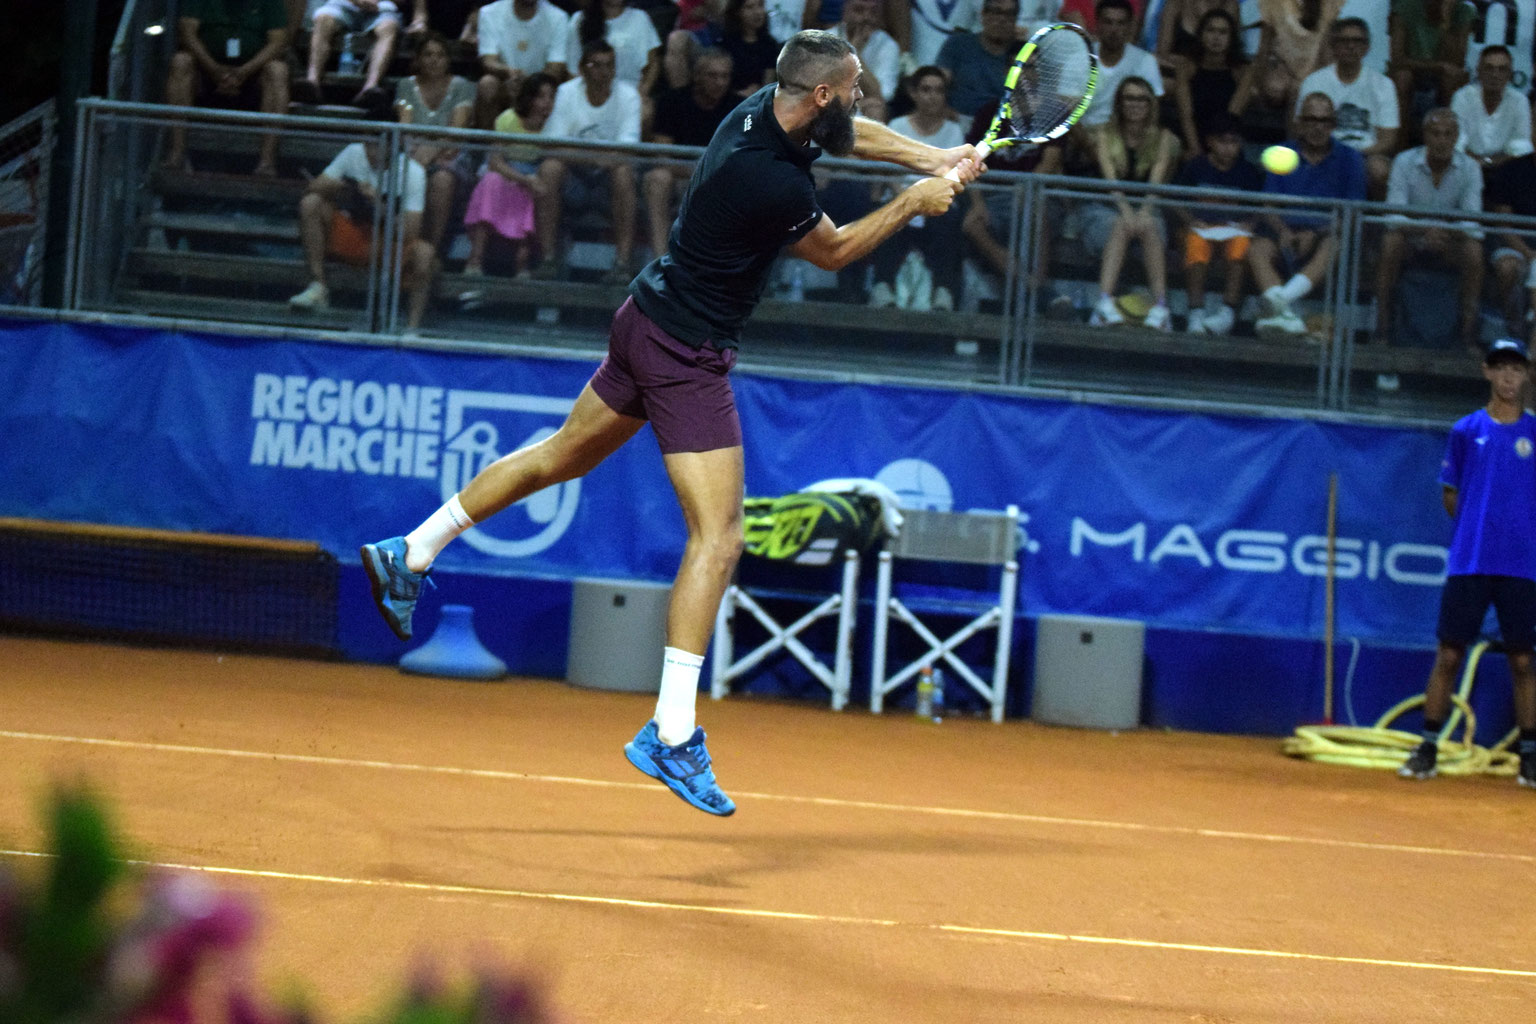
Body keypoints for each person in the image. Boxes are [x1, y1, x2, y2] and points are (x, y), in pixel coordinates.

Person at [358, 30, 977, 816]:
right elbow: (839, 250)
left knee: (556, 457)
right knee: (719, 538)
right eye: (852, 88)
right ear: (819, 95)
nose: (859, 100)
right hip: (685, 353)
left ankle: (410, 549)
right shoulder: (772, 179)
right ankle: (672, 729)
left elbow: (857, 134)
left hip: (645, 317)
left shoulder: (767, 109)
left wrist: (933, 156)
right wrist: (917, 201)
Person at [1397, 338, 1536, 790]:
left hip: (1522, 567)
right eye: (1502, 369)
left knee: (1522, 662)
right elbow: (1450, 494)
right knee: (1449, 655)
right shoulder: (1464, 430)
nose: (1509, 378)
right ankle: (1428, 749)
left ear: (1526, 376)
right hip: (1471, 563)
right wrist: (1481, 529)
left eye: (1517, 369)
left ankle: (1529, 759)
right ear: (1487, 373)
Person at [287, 105, 437, 331]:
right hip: (351, 235)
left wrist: (378, 204)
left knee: (425, 253)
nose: (371, 149)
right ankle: (318, 286)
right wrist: (344, 188)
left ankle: (411, 329)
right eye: (368, 141)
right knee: (311, 204)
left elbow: (411, 232)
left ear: (394, 141)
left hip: (387, 244)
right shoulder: (353, 152)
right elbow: (313, 188)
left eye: (378, 143)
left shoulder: (413, 172)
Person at [1246, 91, 1365, 338]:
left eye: (1324, 121)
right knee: (1256, 249)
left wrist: (1315, 232)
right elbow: (1268, 203)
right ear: (1300, 122)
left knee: (1335, 244)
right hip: (1284, 231)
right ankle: (1286, 316)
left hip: (1325, 234)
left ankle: (1278, 303)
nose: (1317, 127)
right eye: (1311, 120)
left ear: (1333, 125)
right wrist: (1283, 231)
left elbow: (1352, 213)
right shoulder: (1282, 153)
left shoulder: (1350, 158)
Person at [1371, 108, 1483, 361]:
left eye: (1448, 134)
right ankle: (1382, 329)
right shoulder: (1403, 162)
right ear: (1425, 136)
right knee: (1390, 242)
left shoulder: (1470, 169)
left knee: (1474, 251)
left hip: (1450, 243)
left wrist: (1443, 233)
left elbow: (1472, 221)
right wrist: (1425, 231)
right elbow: (1393, 216)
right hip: (1411, 241)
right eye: (1436, 134)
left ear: (1456, 137)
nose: (1442, 141)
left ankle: (1468, 335)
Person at [533, 39, 643, 282]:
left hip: (609, 178)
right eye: (597, 65)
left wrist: (590, 156)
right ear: (582, 69)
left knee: (624, 172)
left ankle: (623, 264)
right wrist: (595, 157)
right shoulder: (566, 92)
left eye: (609, 65)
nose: (604, 72)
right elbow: (552, 145)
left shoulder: (628, 96)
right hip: (574, 176)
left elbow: (628, 150)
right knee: (549, 169)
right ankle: (548, 259)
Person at [1084, 76, 1181, 330]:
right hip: (1103, 207)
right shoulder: (1105, 134)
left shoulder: (1164, 138)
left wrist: (1144, 212)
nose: (1135, 104)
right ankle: (1104, 304)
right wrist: (1128, 213)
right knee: (1120, 224)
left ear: (1150, 104)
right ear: (1119, 102)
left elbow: (1155, 185)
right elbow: (1110, 181)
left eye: (1141, 98)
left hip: (1146, 208)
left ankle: (1161, 308)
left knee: (1148, 224)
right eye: (1129, 98)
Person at [869, 64, 967, 309]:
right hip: (901, 196)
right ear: (914, 93)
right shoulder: (897, 126)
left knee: (947, 221)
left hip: (937, 200)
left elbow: (953, 177)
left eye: (938, 90)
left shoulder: (954, 131)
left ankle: (944, 290)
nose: (932, 96)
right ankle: (883, 287)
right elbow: (887, 170)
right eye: (925, 89)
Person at [163, 0, 290, 177]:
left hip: (252, 79)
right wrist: (214, 69)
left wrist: (244, 72)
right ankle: (176, 153)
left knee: (278, 70)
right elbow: (187, 32)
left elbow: (278, 41)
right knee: (181, 62)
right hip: (206, 75)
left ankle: (267, 162)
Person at [462, 72, 558, 281]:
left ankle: (522, 264)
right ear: (529, 97)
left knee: (536, 191)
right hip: (505, 171)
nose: (547, 103)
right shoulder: (507, 119)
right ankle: (475, 259)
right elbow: (495, 162)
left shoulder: (555, 126)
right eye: (541, 96)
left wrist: (530, 181)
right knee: (491, 182)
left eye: (551, 97)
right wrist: (523, 179)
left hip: (535, 173)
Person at [1173, 111, 1262, 334]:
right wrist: (1192, 221)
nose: (1228, 148)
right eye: (1223, 141)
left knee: (1241, 246)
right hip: (1200, 227)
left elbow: (1262, 207)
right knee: (1195, 246)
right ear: (1210, 142)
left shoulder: (1248, 172)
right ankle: (1195, 312)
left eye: (1234, 142)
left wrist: (1250, 225)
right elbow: (1176, 201)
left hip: (1232, 229)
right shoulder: (1196, 167)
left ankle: (1227, 313)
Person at [643, 49, 736, 259]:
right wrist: (697, 172)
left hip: (719, 182)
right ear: (696, 76)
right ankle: (661, 262)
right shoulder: (670, 102)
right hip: (681, 177)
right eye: (713, 76)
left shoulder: (739, 108)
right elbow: (662, 157)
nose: (720, 82)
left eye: (725, 76)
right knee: (657, 178)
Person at [1294, 17, 1400, 197]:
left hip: (1365, 155)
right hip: (1320, 150)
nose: (1351, 46)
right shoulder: (1314, 82)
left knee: (1380, 169)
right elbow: (1299, 128)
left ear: (1367, 47)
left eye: (1357, 41)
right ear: (1333, 46)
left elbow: (1388, 140)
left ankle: (1372, 223)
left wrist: (1350, 156)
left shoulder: (1384, 85)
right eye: (1345, 41)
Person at [394, 32, 477, 251]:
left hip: (451, 154)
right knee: (410, 172)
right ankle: (406, 248)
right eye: (428, 54)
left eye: (440, 55)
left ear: (448, 60)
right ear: (418, 59)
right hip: (414, 152)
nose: (434, 60)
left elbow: (456, 130)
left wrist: (432, 148)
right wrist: (420, 151)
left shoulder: (462, 86)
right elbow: (406, 125)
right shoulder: (406, 85)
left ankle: (432, 249)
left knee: (442, 179)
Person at [301, 0, 428, 108]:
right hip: (343, 4)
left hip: (382, 8)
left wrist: (419, 20)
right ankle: (312, 81)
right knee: (323, 19)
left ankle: (370, 87)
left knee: (389, 27)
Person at [1232, 0, 1340, 120]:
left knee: (1298, 91)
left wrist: (1313, 79)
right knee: (1257, 80)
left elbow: (1327, 53)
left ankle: (1293, 137)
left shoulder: (1330, 3)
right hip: (1283, 67)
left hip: (1315, 67)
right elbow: (1264, 48)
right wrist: (1260, 80)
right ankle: (1230, 121)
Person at [475, 0, 572, 131]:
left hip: (541, 87)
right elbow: (488, 61)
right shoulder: (489, 12)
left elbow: (556, 67)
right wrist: (509, 72)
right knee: (487, 84)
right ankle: (491, 146)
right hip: (507, 82)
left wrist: (529, 85)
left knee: (551, 92)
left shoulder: (558, 17)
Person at [1171, 5, 1248, 157]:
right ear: (1201, 34)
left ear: (1232, 38)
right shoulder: (1186, 67)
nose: (1216, 37)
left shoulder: (1242, 70)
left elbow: (1231, 117)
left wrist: (1216, 151)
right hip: (1192, 139)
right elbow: (1186, 114)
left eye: (1223, 32)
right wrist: (1196, 150)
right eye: (1210, 30)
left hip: (1226, 143)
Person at [665, 0, 780, 95]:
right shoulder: (726, 42)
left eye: (760, 6)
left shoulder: (769, 45)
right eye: (749, 8)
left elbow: (767, 84)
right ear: (738, 12)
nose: (757, 12)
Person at [1079, 0, 1164, 128]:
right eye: (1108, 22)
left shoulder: (1146, 61)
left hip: (1129, 135)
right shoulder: (1079, 58)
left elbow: (1153, 109)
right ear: (1098, 25)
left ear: (1130, 26)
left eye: (1121, 23)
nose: (1114, 30)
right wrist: (1090, 144)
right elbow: (1067, 110)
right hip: (1087, 135)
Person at [1449, 45, 1532, 174]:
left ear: (1510, 74)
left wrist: (1489, 163)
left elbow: (1521, 146)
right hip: (1466, 168)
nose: (1495, 75)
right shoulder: (1463, 97)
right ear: (1478, 71)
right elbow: (1456, 143)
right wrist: (1477, 163)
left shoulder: (1519, 101)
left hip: (1505, 169)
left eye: (1502, 69)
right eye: (1489, 68)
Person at [1387, 0, 1472, 122]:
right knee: (1402, 78)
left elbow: (1457, 61)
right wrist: (1438, 66)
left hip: (1442, 74)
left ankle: (1448, 135)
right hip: (1412, 69)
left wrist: (1446, 21)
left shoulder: (1463, 11)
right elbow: (1397, 59)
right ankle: (1400, 140)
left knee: (1454, 78)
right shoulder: (1404, 8)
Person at [935, 0, 1019, 120]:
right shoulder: (958, 44)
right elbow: (939, 83)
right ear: (983, 15)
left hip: (1000, 125)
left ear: (1015, 19)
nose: (1002, 19)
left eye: (1009, 14)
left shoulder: (1021, 53)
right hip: (958, 119)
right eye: (996, 12)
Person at [1486, 147, 1536, 339]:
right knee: (1507, 267)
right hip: (1514, 245)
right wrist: (1528, 253)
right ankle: (1513, 330)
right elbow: (1503, 223)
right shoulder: (1512, 170)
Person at [565, 0, 662, 95]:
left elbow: (653, 65)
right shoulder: (578, 20)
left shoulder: (640, 18)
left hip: (629, 96)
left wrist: (641, 94)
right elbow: (573, 71)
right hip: (590, 97)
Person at [827, 0, 900, 119]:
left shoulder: (887, 45)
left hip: (864, 108)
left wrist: (855, 55)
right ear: (845, 11)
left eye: (873, 12)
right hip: (829, 104)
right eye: (859, 10)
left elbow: (883, 95)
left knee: (876, 108)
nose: (866, 17)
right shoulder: (826, 40)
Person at [1153, 0, 1238, 81]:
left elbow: (1234, 54)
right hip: (1175, 72)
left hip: (1216, 74)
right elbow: (1162, 53)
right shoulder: (1177, 3)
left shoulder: (1231, 6)